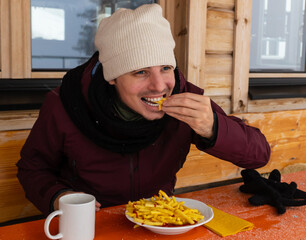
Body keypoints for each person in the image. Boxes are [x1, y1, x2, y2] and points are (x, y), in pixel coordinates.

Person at [17, 3, 270, 216]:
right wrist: (58, 197)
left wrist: (213, 127)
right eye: (141, 72)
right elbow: (33, 168)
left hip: (161, 222)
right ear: (112, 77)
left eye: (165, 68)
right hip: (92, 223)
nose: (159, 86)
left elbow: (259, 155)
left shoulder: (185, 97)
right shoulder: (65, 104)